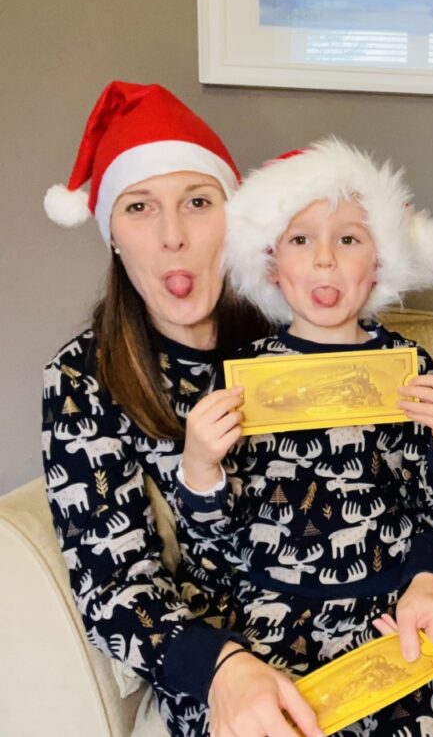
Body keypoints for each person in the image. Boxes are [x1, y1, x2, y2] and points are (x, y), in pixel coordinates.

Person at [176, 137, 433, 736]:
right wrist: (200, 465)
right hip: (271, 609)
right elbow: (211, 540)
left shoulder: (408, 365)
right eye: (301, 239)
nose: (326, 260)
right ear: (272, 265)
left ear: (379, 263)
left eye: (349, 239)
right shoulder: (242, 375)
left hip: (386, 609)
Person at [41, 81, 273, 737]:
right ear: (111, 231)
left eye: (198, 203)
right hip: (212, 663)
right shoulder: (83, 379)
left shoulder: (294, 337)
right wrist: (223, 667)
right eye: (140, 207)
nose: (173, 237)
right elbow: (113, 585)